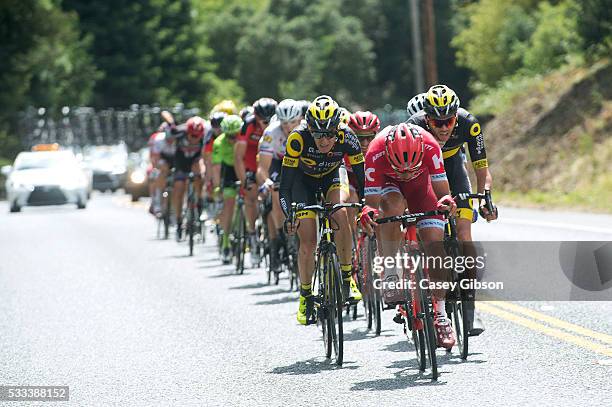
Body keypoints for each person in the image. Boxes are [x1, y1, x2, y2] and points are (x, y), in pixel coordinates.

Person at [406, 84, 497, 336]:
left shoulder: (469, 123)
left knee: (464, 234)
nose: (444, 127)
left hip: (454, 170)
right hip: (422, 170)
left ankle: (470, 306)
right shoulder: (414, 125)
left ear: (456, 116)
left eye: (449, 121)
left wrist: (485, 197)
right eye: (438, 122)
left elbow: (481, 167)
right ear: (427, 118)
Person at [360, 122, 458, 349]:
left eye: (410, 167)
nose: (405, 172)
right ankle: (391, 272)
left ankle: (441, 315)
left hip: (421, 187)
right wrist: (368, 212)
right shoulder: (375, 152)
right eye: (400, 167)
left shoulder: (431, 146)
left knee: (435, 245)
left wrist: (446, 202)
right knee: (390, 210)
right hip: (389, 186)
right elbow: (372, 204)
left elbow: (443, 192)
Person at [280, 95, 364, 325]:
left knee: (340, 212)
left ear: (338, 129)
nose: (324, 140)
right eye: (318, 134)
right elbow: (285, 186)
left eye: (329, 134)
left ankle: (347, 278)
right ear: (310, 130)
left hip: (332, 177)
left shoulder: (348, 137)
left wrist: (365, 204)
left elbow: (363, 176)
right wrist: (290, 214)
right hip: (302, 183)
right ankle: (306, 296)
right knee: (307, 240)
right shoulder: (297, 138)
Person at [257, 99, 303, 273]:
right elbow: (262, 168)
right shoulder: (271, 133)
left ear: (300, 120)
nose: (288, 128)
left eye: (292, 123)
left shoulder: (306, 129)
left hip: (300, 163)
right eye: (284, 124)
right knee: (277, 191)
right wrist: (267, 181)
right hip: (278, 163)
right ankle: (278, 237)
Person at [234, 97, 277, 265]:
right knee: (250, 195)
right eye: (262, 119)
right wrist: (244, 180)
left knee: (274, 199)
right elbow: (238, 156)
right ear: (256, 116)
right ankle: (252, 234)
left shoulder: (278, 126)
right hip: (251, 161)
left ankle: (274, 240)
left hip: (270, 160)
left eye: (269, 118)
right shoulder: (248, 125)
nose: (265, 122)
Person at [212, 115, 244, 263]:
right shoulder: (219, 142)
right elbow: (217, 168)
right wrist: (218, 187)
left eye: (235, 135)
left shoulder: (243, 139)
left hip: (243, 168)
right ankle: (225, 242)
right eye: (229, 136)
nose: (232, 139)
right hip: (228, 172)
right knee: (229, 205)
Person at [168, 116, 206, 241]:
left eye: (197, 136)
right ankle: (179, 221)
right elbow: (169, 120)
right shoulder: (179, 132)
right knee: (179, 189)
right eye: (192, 136)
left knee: (199, 175)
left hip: (195, 161)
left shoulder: (205, 135)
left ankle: (199, 203)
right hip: (181, 163)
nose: (195, 139)